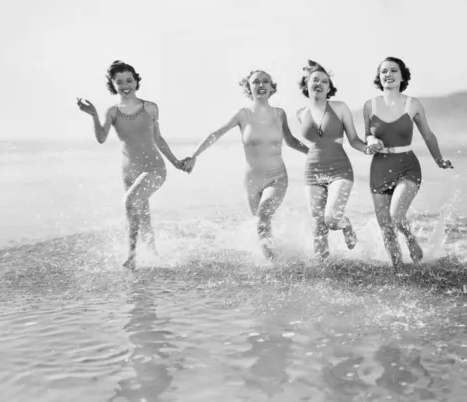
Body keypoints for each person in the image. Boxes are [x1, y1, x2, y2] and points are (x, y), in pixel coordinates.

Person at [181, 69, 308, 260]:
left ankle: (272, 266)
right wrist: (194, 155)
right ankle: (275, 256)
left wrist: (313, 153)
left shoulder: (279, 114)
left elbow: (291, 141)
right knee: (262, 224)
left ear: (272, 87)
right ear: (249, 88)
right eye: (256, 82)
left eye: (266, 81)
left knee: (263, 218)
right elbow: (217, 133)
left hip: (277, 177)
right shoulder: (243, 114)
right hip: (251, 182)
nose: (261, 85)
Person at [76, 60, 184, 270]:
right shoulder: (112, 112)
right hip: (128, 172)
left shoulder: (151, 108)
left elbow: (159, 139)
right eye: (119, 81)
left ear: (136, 81)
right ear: (113, 85)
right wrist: (93, 114)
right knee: (143, 216)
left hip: (154, 168)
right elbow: (101, 138)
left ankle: (131, 255)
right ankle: (154, 257)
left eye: (129, 80)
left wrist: (177, 162)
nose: (125, 85)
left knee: (130, 201)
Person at [363, 57, 453, 268]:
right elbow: (367, 136)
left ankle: (410, 238)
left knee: (396, 215)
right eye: (384, 71)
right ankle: (398, 268)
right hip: (379, 168)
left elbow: (428, 135)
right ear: (379, 77)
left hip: (407, 166)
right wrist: (371, 140)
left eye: (394, 70)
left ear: (402, 76)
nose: (388, 74)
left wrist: (439, 160)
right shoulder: (369, 105)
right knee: (385, 227)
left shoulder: (413, 104)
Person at [296, 60, 377, 259]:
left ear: (329, 88)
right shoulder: (300, 113)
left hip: (339, 170)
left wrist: (368, 149)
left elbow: (354, 139)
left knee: (331, 219)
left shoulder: (339, 107)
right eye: (315, 79)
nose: (320, 83)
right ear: (306, 84)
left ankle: (345, 224)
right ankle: (323, 267)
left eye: (325, 81)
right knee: (317, 223)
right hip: (312, 172)